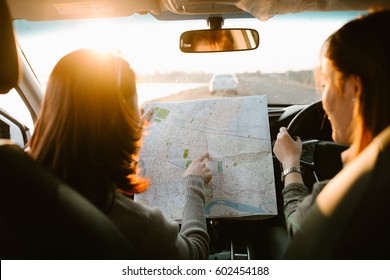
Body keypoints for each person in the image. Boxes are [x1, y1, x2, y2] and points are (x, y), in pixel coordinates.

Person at [28, 48, 212, 259]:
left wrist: (129, 132)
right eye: (133, 110)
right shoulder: (140, 224)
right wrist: (194, 184)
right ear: (120, 124)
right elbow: (195, 255)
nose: (137, 119)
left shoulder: (18, 179)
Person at [273, 9, 390, 238]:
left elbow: (299, 230)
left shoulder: (353, 191)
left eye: (326, 83)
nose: (323, 101)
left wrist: (291, 165)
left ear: (353, 88)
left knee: (273, 238)